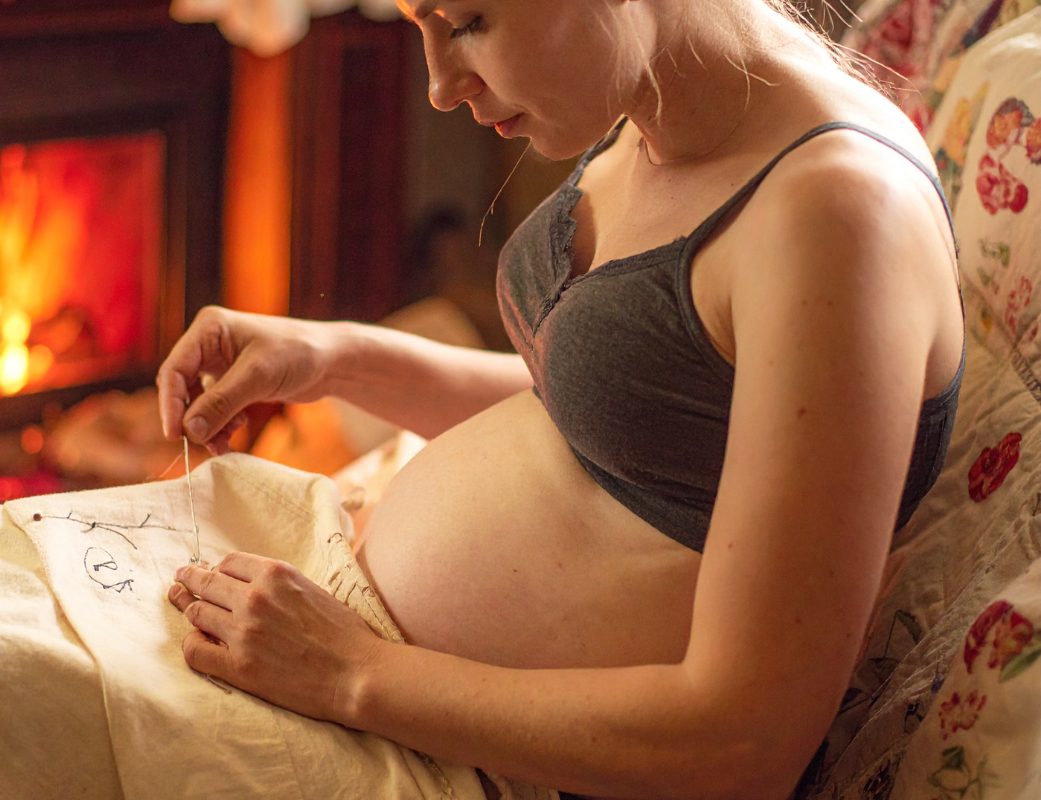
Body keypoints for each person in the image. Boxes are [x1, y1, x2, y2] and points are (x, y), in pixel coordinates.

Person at [158, 0, 965, 796]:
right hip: (387, 693)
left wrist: (351, 675)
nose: (440, 86)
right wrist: (334, 356)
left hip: (513, 762)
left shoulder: (837, 215)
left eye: (468, 22)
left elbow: (745, 740)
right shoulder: (648, 105)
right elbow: (626, 422)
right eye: (420, 27)